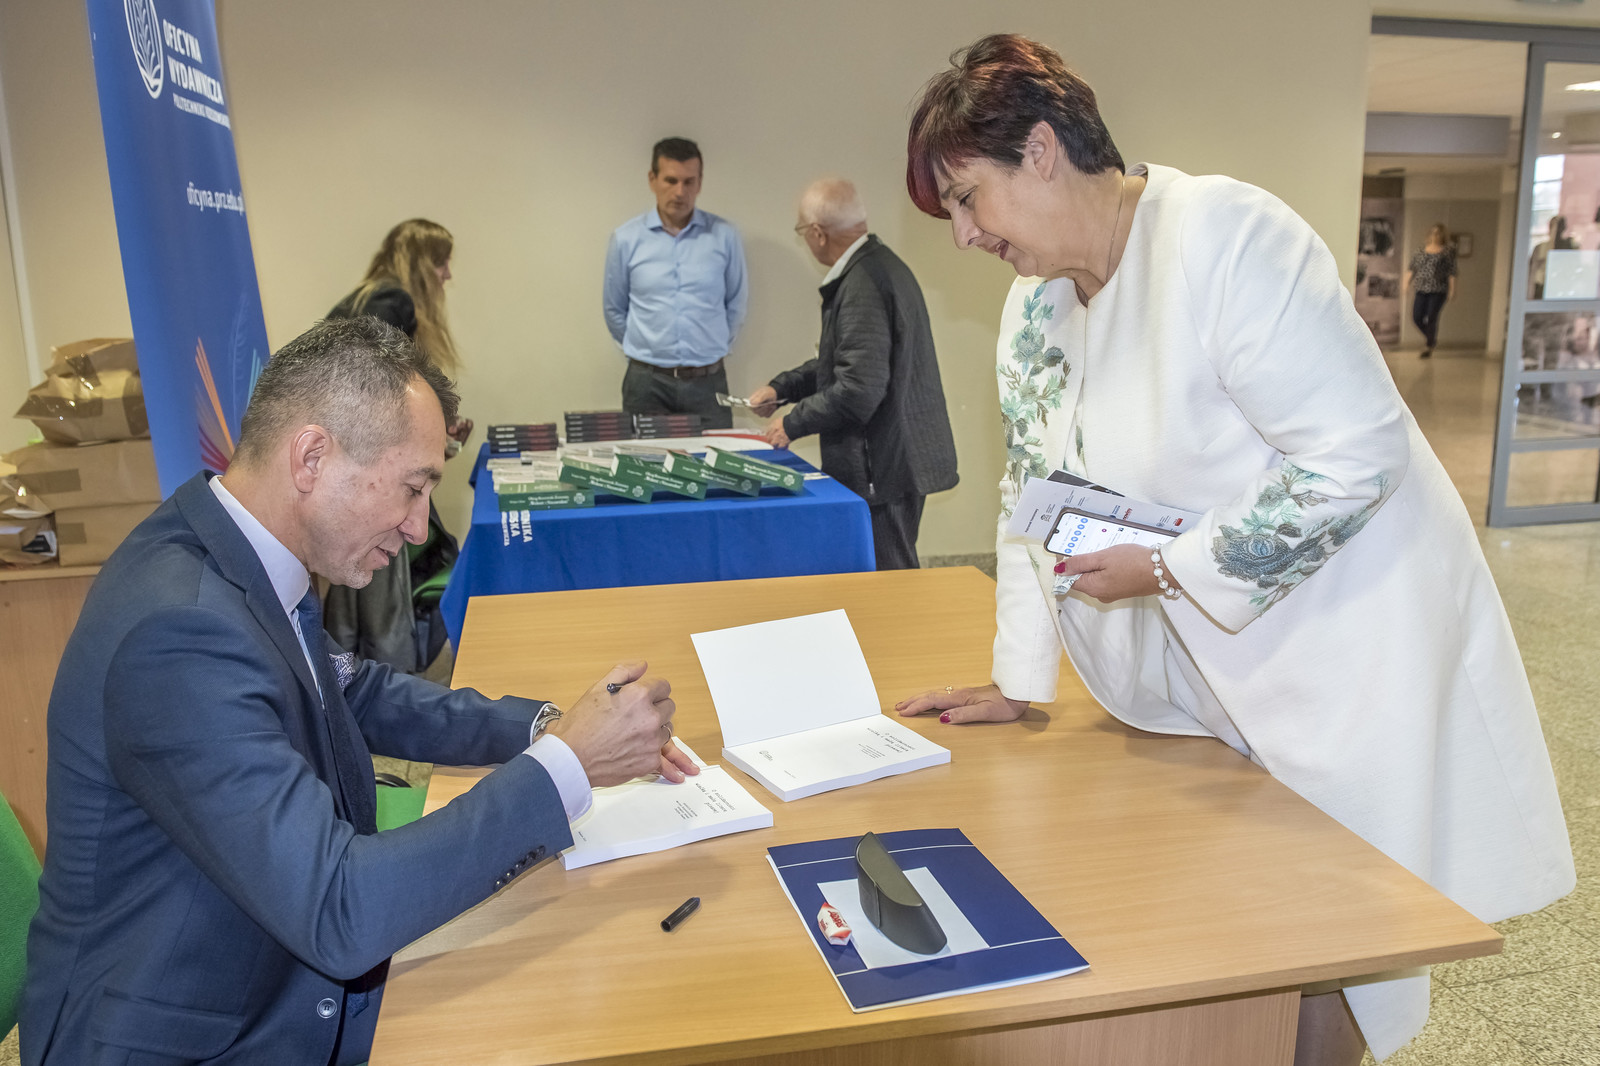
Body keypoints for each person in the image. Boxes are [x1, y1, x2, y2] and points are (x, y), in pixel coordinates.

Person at [892, 34, 1573, 1066]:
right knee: (1259, 929)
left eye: (965, 198)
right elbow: (1030, 497)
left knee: (1344, 932)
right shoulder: (1035, 306)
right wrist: (1019, 679)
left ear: (1039, 150)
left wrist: (1171, 567)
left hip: (1348, 637)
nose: (963, 235)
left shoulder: (1224, 237)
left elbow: (1357, 453)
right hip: (1211, 661)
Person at [21, 317, 697, 1065]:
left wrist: (546, 729)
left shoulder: (239, 549)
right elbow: (339, 910)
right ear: (312, 457)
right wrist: (566, 766)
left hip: (253, 977)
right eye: (413, 488)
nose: (419, 528)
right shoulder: (181, 633)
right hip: (193, 1038)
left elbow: (353, 691)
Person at [748, 178, 958, 569]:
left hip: (883, 466)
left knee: (889, 579)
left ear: (817, 233)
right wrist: (782, 388)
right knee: (883, 575)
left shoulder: (863, 283)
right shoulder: (876, 268)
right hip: (890, 459)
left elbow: (859, 388)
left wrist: (792, 424)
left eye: (801, 231)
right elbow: (844, 364)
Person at [326, 219, 472, 673]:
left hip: (353, 461)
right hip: (375, 469)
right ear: (421, 262)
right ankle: (390, 676)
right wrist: (433, 439)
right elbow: (384, 394)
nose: (447, 273)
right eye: (441, 262)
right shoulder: (394, 301)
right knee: (392, 577)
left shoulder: (362, 297)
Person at [603, 137, 749, 429]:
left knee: (716, 458)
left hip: (708, 384)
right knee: (643, 458)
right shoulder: (626, 239)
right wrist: (647, 350)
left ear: (700, 183)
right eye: (670, 180)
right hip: (647, 385)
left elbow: (736, 304)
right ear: (652, 179)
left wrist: (708, 348)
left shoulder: (724, 236)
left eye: (689, 182)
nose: (680, 192)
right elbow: (614, 309)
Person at [1402, 223, 1456, 358]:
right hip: (1421, 288)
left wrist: (1452, 290)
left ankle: (1428, 345)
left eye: (1438, 233)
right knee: (1417, 316)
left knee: (1431, 316)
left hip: (1438, 290)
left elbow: (1452, 272)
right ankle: (1431, 339)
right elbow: (1411, 269)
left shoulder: (1447, 252)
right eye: (1433, 233)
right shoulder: (1420, 252)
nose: (1435, 236)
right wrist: (1406, 284)